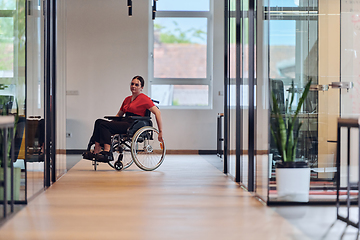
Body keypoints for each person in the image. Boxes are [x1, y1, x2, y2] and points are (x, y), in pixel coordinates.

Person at [82, 75, 163, 161]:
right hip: (125, 121)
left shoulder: (144, 99)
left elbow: (157, 112)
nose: (133, 86)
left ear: (141, 87)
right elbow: (119, 115)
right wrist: (112, 122)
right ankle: (96, 150)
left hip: (133, 124)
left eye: (136, 85)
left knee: (104, 125)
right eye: (132, 84)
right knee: (98, 121)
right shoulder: (127, 99)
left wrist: (160, 131)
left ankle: (107, 151)